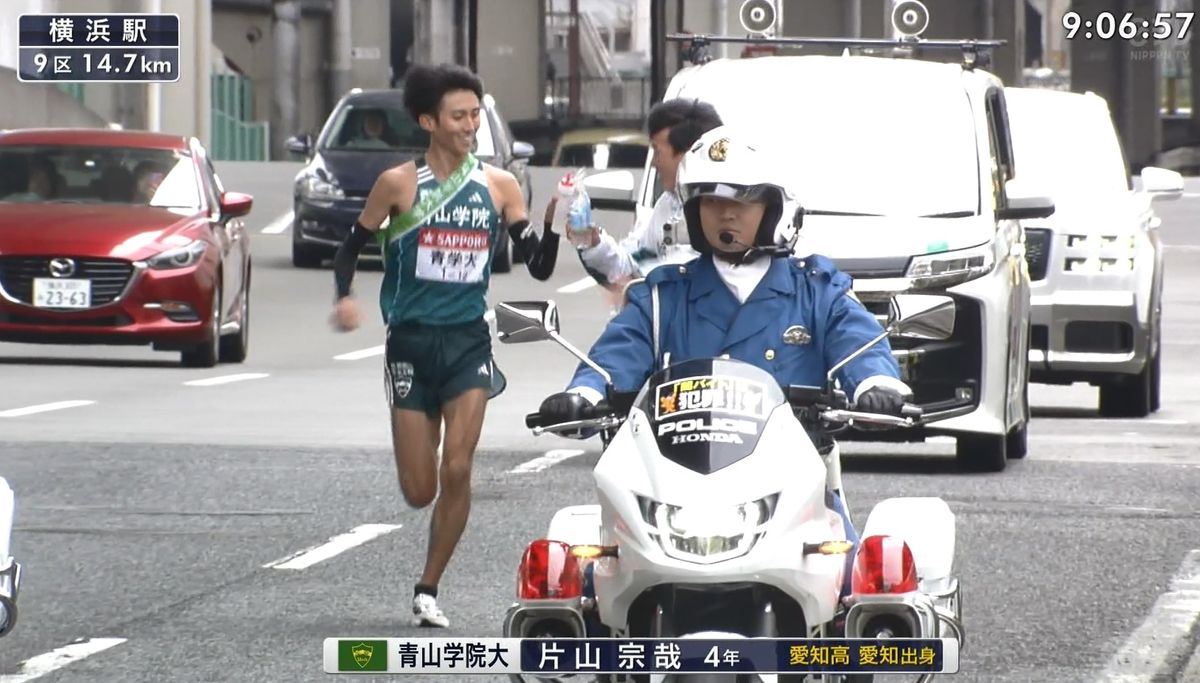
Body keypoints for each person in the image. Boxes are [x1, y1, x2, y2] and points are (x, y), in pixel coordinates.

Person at [536, 126, 913, 597]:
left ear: (774, 209)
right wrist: (583, 394)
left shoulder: (816, 288)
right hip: (673, 486)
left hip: (794, 490)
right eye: (710, 202)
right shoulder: (663, 294)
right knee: (580, 593)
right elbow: (619, 351)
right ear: (693, 212)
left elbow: (858, 338)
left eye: (744, 200)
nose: (726, 214)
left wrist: (877, 383)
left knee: (863, 596)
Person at [330, 62, 561, 628]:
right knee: (419, 488)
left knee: (459, 467)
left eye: (476, 115)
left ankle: (427, 588)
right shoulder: (398, 184)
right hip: (410, 344)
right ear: (428, 120)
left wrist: (553, 224)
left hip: (467, 343)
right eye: (459, 116)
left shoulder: (498, 185)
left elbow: (536, 267)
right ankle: (426, 533)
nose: (470, 125)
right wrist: (345, 296)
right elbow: (347, 247)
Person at [569, 98, 723, 300]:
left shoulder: (725, 209)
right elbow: (631, 265)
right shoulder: (667, 205)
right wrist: (593, 242)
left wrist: (644, 280)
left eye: (658, 152)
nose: (654, 164)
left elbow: (689, 275)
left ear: (688, 155)